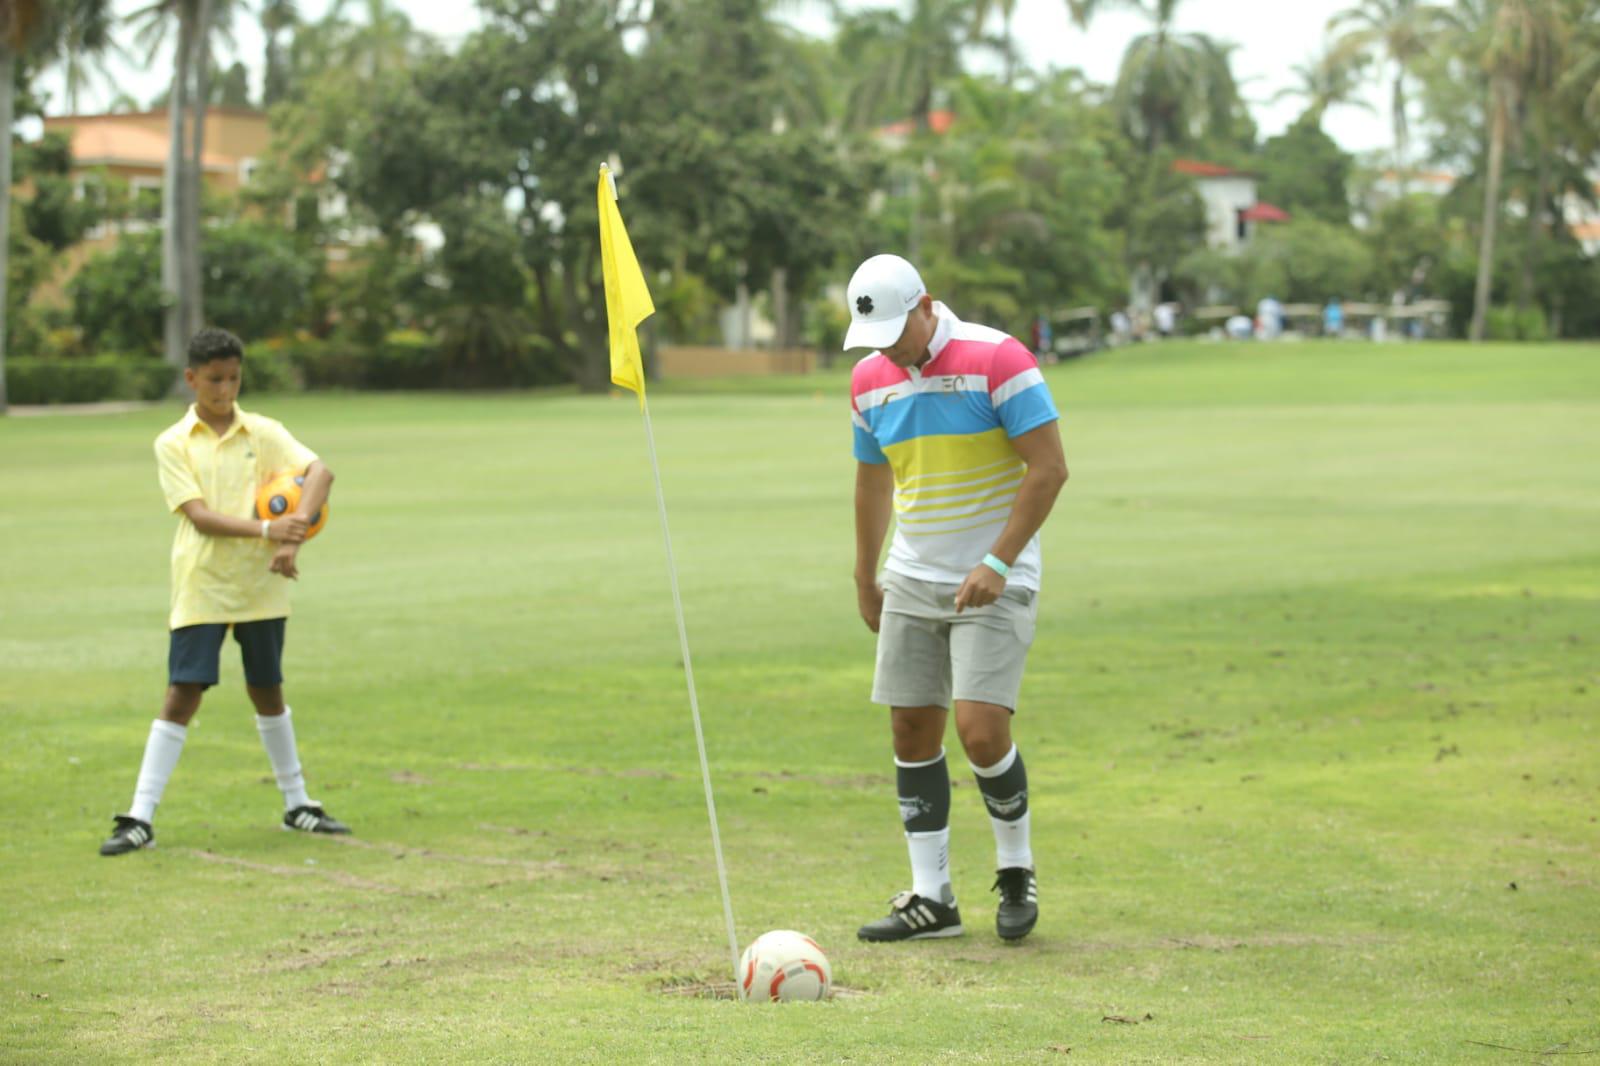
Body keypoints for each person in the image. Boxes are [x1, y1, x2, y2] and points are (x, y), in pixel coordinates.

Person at [843, 254, 1069, 942]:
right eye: (874, 337)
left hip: (996, 574)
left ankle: (1015, 868)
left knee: (980, 729)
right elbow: (873, 482)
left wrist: (998, 561)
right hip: (913, 574)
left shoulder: (998, 359)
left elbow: (1050, 468)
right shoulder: (868, 381)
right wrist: (865, 573)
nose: (889, 348)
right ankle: (931, 897)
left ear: (926, 304)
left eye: (895, 331)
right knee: (911, 730)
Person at [99, 328, 351, 856]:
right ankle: (139, 817)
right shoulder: (172, 442)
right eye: (215, 379)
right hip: (203, 584)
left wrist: (295, 529)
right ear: (191, 378)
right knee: (182, 694)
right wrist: (268, 532)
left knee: (268, 690)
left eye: (234, 377)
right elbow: (199, 517)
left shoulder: (263, 431)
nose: (226, 389)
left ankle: (297, 804)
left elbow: (320, 472)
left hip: (261, 586)